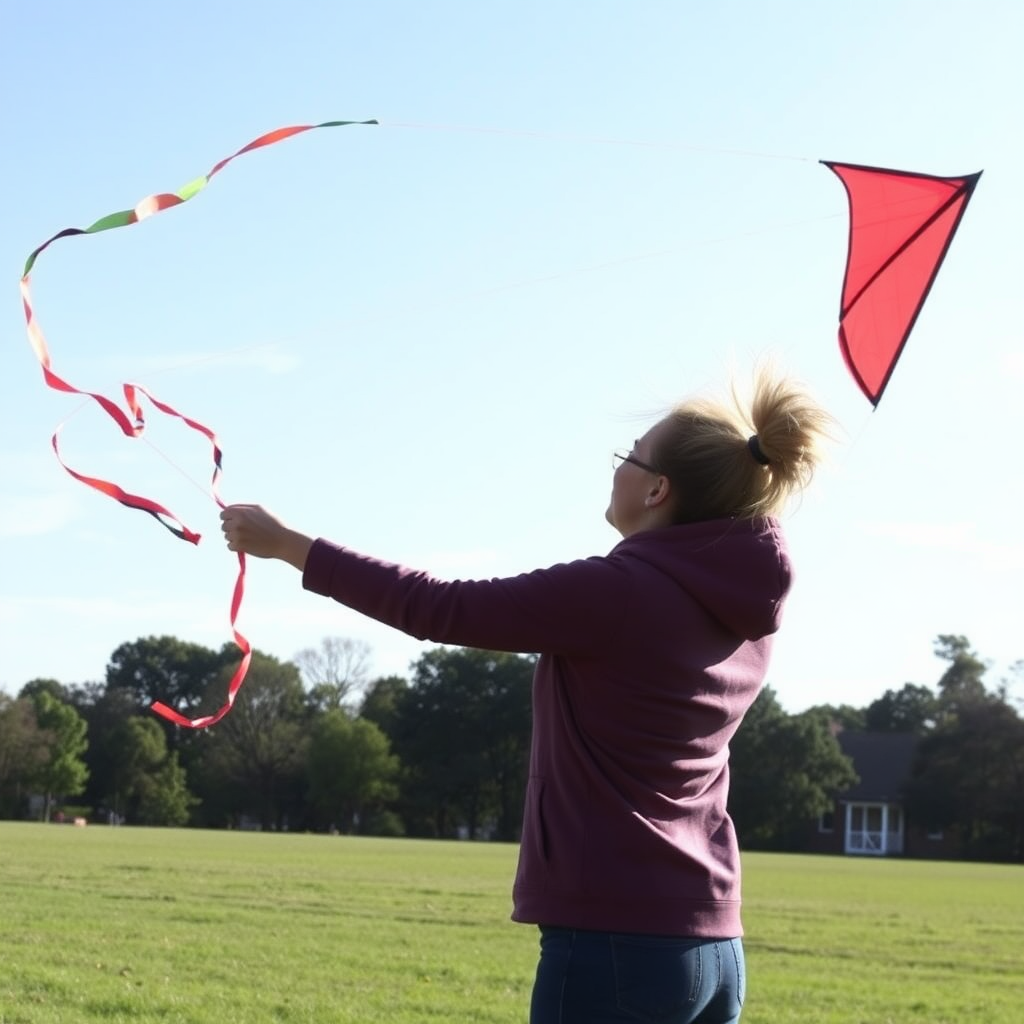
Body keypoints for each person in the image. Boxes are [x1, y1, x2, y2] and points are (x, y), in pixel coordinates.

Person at [220, 365, 834, 1024]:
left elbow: (440, 608)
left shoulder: (617, 590)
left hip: (614, 941)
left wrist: (291, 546)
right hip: (714, 945)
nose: (616, 469)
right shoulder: (744, 614)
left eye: (629, 457)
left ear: (658, 489)